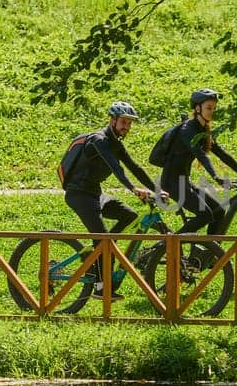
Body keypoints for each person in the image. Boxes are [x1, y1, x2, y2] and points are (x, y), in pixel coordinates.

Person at [59, 100, 162, 287]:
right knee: (103, 241)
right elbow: (116, 169)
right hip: (79, 195)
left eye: (130, 123)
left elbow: (134, 167)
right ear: (112, 120)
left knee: (129, 216)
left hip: (95, 194)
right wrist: (133, 189)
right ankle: (101, 286)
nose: (127, 127)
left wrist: (157, 189)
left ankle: (102, 250)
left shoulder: (116, 143)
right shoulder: (99, 140)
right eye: (123, 122)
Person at [155, 88, 237, 238]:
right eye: (209, 108)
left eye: (214, 108)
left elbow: (221, 153)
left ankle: (208, 254)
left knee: (218, 211)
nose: (212, 112)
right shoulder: (187, 130)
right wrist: (216, 176)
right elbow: (200, 155)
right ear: (197, 108)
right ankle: (169, 245)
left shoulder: (203, 130)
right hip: (171, 184)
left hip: (184, 182)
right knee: (205, 215)